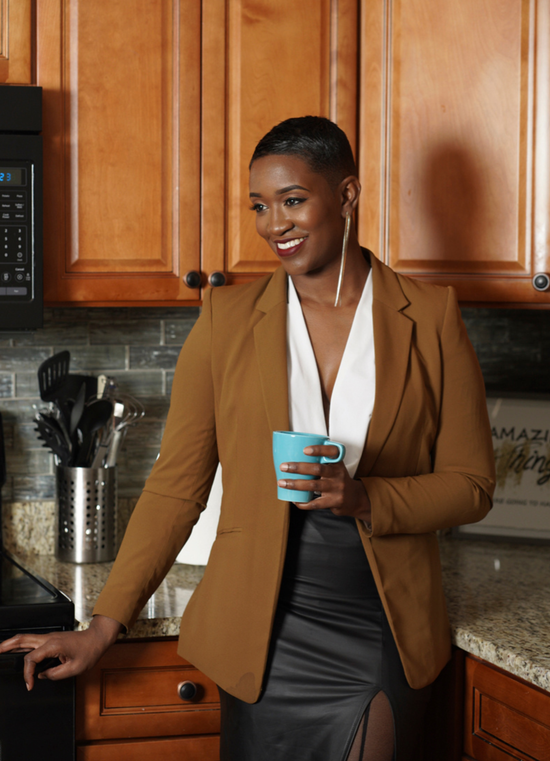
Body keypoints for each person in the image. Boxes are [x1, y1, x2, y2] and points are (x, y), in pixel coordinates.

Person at [0, 116, 495, 760]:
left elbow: (473, 486)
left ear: (346, 195)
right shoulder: (227, 321)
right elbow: (177, 487)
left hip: (380, 625)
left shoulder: (429, 317)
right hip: (263, 635)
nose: (273, 224)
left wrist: (367, 497)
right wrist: (103, 627)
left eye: (293, 200)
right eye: (260, 206)